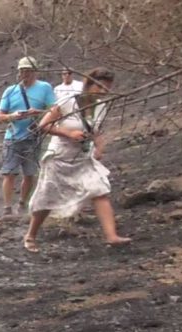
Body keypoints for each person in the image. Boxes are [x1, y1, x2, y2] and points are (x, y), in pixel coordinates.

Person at [23, 67, 131, 251]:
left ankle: (112, 236)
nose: (103, 91)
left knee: (99, 189)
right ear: (88, 84)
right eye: (99, 87)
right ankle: (31, 235)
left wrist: (99, 147)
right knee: (47, 197)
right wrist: (68, 133)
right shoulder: (67, 102)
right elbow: (43, 125)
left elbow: (96, 130)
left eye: (107, 87)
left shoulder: (101, 106)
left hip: (82, 157)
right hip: (59, 157)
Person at [0, 56, 56, 216]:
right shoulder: (10, 91)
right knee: (8, 172)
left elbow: (55, 110)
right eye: (22, 71)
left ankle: (22, 203)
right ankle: (7, 208)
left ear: (35, 71)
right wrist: (13, 116)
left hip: (33, 137)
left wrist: (38, 113)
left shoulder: (45, 88)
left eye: (28, 71)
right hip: (12, 137)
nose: (25, 74)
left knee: (29, 173)